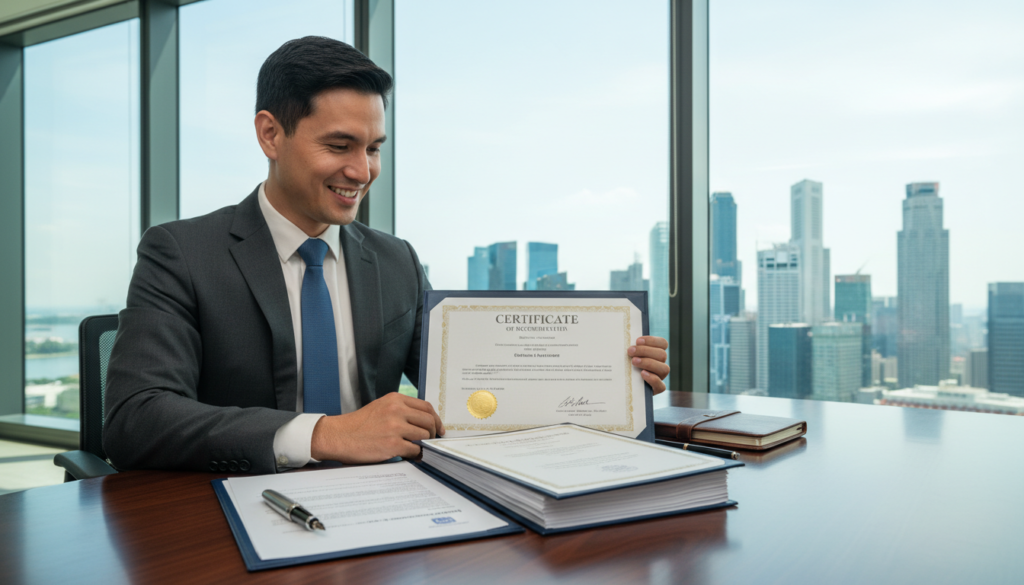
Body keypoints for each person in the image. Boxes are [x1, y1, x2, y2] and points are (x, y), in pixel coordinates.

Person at [103, 36, 670, 475]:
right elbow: (136, 418)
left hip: (387, 503)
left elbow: (472, 387)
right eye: (339, 145)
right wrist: (326, 434)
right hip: (235, 505)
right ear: (270, 134)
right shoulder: (181, 252)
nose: (362, 171)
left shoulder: (395, 259)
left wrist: (608, 379)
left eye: (373, 149)